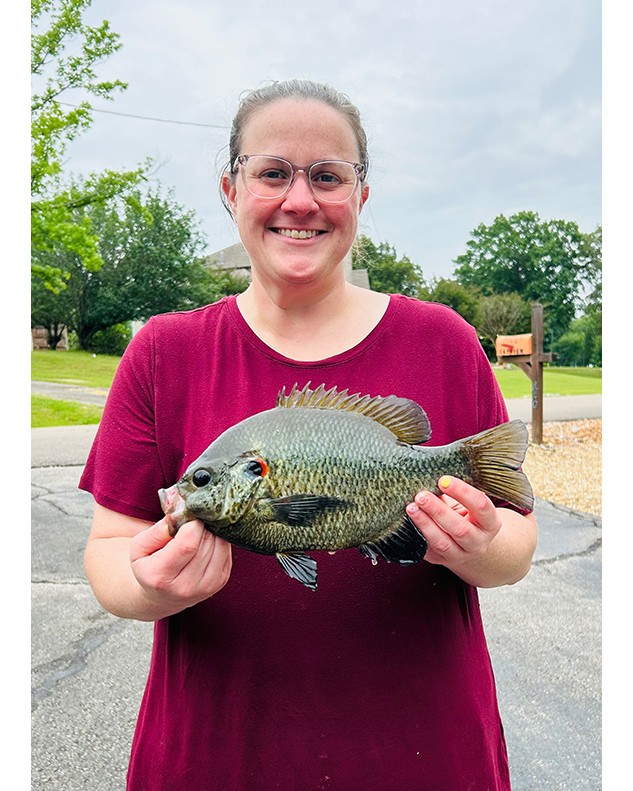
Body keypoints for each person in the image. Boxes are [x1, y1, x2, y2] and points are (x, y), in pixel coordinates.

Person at [81, 79, 537, 791]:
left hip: (424, 752)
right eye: (271, 173)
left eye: (328, 175)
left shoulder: (443, 340)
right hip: (216, 753)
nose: (300, 200)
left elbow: (514, 547)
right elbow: (108, 550)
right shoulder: (163, 352)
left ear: (361, 195)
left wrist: (482, 548)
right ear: (231, 191)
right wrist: (146, 584)